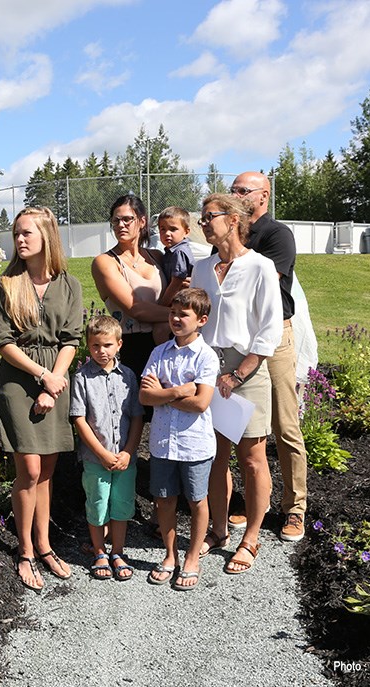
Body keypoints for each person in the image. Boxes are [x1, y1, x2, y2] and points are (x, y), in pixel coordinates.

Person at [0, 206, 83, 592]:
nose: (20, 240)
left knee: (46, 471)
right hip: (20, 380)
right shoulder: (7, 283)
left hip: (56, 380)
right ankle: (26, 550)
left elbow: (71, 340)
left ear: (47, 235)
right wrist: (42, 376)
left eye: (27, 232)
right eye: (16, 234)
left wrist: (55, 379)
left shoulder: (70, 284)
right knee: (28, 470)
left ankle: (45, 545)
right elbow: (3, 342)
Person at [193, 193, 282, 575]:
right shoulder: (201, 268)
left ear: (232, 220)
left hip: (246, 371)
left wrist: (238, 374)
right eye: (201, 219)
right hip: (208, 368)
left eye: (208, 217)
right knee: (215, 456)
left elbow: (269, 329)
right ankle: (218, 528)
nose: (203, 224)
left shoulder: (260, 266)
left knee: (252, 457)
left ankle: (251, 538)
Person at [228, 171, 309, 542]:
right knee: (242, 426)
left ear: (263, 196)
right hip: (236, 340)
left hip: (274, 337)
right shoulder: (231, 234)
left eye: (242, 190)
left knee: (284, 425)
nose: (236, 195)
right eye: (233, 190)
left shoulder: (277, 235)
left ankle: (295, 509)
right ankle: (252, 502)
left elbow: (262, 282)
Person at [139, 288, 218, 590]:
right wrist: (176, 391)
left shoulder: (206, 357)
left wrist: (163, 393)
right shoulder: (158, 352)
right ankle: (170, 555)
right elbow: (146, 396)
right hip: (162, 441)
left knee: (197, 501)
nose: (175, 318)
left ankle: (192, 557)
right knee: (164, 499)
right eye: (172, 312)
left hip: (194, 443)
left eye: (183, 314)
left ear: (201, 320)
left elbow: (201, 403)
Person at [70, 315, 144, 582]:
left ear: (119, 344)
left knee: (121, 504)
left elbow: (137, 416)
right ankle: (99, 551)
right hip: (95, 458)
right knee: (98, 502)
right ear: (87, 347)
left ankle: (118, 551)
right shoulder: (82, 378)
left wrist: (127, 451)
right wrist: (101, 453)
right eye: (95, 346)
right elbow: (79, 418)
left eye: (107, 345)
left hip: (125, 457)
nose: (101, 351)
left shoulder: (129, 377)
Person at [91, 194, 168, 382]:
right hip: (133, 347)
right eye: (115, 221)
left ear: (142, 221)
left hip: (168, 341)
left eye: (127, 219)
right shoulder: (105, 262)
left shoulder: (157, 257)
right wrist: (181, 316)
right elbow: (136, 308)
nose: (120, 225)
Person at [155, 206, 196, 310]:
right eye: (162, 229)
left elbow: (176, 283)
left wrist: (161, 307)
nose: (167, 233)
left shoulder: (179, 252)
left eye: (173, 229)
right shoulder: (170, 252)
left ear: (186, 232)